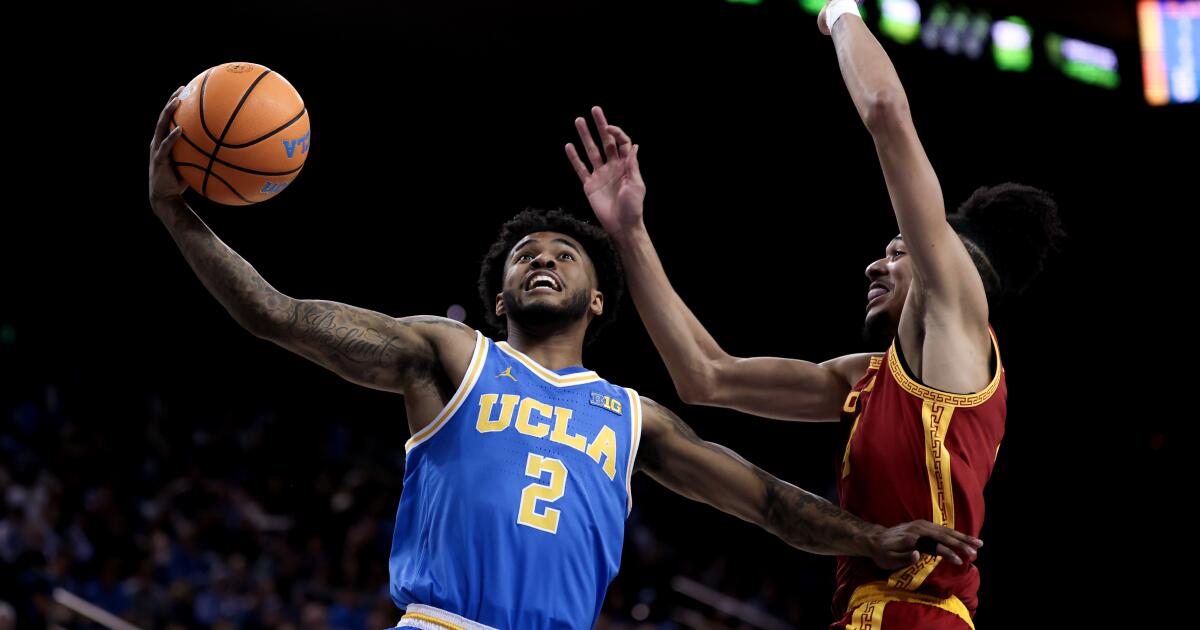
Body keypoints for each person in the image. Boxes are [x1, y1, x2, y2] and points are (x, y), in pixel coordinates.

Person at [149, 87, 979, 630]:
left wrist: (872, 538)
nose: (541, 258)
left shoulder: (630, 416)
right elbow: (279, 315)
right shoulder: (450, 357)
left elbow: (765, 501)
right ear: (500, 299)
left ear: (597, 301)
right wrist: (178, 215)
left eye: (563, 254)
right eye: (524, 257)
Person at [566, 3, 1063, 627]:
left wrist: (840, 11)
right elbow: (705, 376)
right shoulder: (869, 379)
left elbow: (886, 113)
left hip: (920, 614)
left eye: (899, 251)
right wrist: (629, 231)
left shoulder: (959, 316)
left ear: (948, 264)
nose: (875, 265)